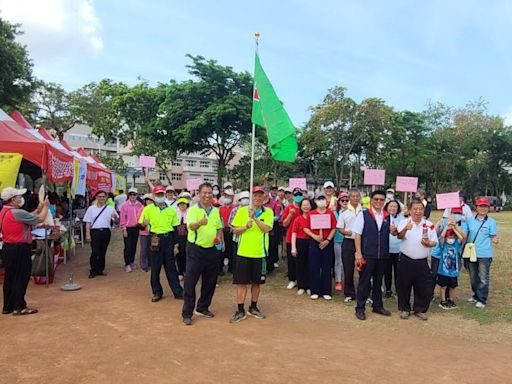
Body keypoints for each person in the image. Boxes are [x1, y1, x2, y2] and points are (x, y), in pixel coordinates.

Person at [1, 187, 50, 315]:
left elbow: (29, 216)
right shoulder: (16, 212)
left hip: (8, 247)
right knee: (21, 277)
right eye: (18, 196)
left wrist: (39, 208)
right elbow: (39, 219)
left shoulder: (4, 212)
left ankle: (8, 306)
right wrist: (45, 206)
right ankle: (19, 306)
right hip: (19, 248)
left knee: (10, 278)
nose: (20, 198)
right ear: (12, 199)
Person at [229, 186, 273, 323]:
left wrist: (255, 218)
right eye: (255, 195)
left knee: (257, 283)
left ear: (264, 198)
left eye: (260, 196)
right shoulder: (242, 211)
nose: (257, 198)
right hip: (243, 252)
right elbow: (234, 230)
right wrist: (245, 227)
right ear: (251, 197)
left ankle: (253, 307)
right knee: (241, 283)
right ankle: (240, 309)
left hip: (260, 253)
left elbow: (267, 229)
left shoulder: (268, 212)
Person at [182, 183, 224, 326]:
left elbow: (219, 228)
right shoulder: (193, 210)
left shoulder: (216, 211)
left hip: (212, 250)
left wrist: (219, 241)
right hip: (195, 250)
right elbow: (190, 226)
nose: (207, 195)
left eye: (210, 193)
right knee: (190, 281)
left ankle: (203, 307)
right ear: (199, 194)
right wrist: (200, 223)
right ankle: (187, 312)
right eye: (204, 193)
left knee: (210, 281)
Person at [138, 185, 183, 302]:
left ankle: (177, 291)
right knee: (155, 267)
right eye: (157, 195)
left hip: (168, 239)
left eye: (161, 194)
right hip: (155, 238)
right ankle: (157, 291)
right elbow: (141, 226)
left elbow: (175, 228)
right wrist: (143, 223)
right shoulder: (148, 209)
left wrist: (176, 244)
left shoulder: (171, 210)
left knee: (171, 267)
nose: (160, 196)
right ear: (153, 196)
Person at [352, 190, 392, 320]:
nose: (379, 202)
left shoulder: (388, 216)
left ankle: (377, 306)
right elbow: (357, 234)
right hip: (368, 254)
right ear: (371, 201)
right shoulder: (364, 215)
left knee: (378, 281)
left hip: (382, 255)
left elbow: (393, 233)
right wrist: (358, 253)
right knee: (364, 282)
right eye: (376, 199)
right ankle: (360, 308)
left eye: (381, 200)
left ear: (384, 201)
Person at [396, 199, 438, 320]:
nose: (418, 211)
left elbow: (434, 242)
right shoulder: (404, 222)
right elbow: (399, 236)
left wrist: (428, 243)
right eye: (415, 209)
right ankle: (404, 308)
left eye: (420, 209)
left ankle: (420, 309)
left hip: (422, 261)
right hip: (406, 259)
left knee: (423, 286)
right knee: (403, 285)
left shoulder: (429, 225)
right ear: (410, 210)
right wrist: (405, 229)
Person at [466, 197, 499, 309]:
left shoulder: (491, 222)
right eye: (480, 206)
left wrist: (495, 239)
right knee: (473, 277)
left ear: (488, 208)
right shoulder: (470, 220)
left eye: (485, 206)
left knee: (484, 278)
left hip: (484, 254)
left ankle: (482, 300)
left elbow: (493, 236)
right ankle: (475, 295)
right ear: (476, 207)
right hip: (471, 253)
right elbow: (465, 234)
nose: (483, 208)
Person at [303, 192, 337, 300]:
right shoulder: (311, 214)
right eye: (319, 199)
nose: (321, 201)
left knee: (327, 266)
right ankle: (315, 290)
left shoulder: (330, 213)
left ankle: (326, 290)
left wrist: (328, 240)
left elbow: (334, 227)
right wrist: (314, 236)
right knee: (314, 266)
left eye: (323, 199)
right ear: (316, 201)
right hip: (314, 242)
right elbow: (306, 228)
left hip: (327, 242)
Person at [84, 190, 119, 278]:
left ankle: (100, 269)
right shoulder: (91, 208)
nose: (101, 198)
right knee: (95, 252)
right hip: (95, 232)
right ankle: (93, 270)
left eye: (103, 197)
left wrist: (115, 218)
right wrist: (87, 234)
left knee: (103, 252)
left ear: (106, 198)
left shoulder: (110, 208)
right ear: (96, 197)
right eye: (100, 197)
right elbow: (87, 222)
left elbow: (116, 221)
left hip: (106, 232)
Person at [336, 188, 363, 302]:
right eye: (353, 196)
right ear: (349, 198)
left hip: (362, 243)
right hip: (348, 242)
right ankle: (349, 293)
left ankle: (363, 292)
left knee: (363, 269)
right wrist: (345, 232)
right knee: (348, 268)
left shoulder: (364, 211)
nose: (355, 198)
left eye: (357, 196)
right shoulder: (344, 213)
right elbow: (339, 228)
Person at [437, 228, 464, 310]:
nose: (450, 239)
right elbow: (441, 236)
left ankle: (451, 300)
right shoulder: (443, 244)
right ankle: (443, 301)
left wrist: (454, 229)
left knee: (453, 286)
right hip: (443, 271)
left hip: (453, 271)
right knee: (443, 286)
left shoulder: (456, 245)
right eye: (449, 237)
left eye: (452, 237)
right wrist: (447, 227)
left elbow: (461, 238)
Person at [291, 198, 313, 295]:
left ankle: (309, 286)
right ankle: (301, 286)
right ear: (300, 207)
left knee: (310, 264)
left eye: (307, 205)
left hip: (312, 242)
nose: (306, 207)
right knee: (300, 264)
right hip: (300, 242)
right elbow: (294, 233)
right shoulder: (298, 219)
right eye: (303, 205)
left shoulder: (313, 217)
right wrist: (293, 247)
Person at [281, 188, 303, 289]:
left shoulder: (305, 207)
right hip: (290, 237)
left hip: (303, 237)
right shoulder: (288, 208)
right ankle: (292, 279)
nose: (298, 196)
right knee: (291, 260)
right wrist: (290, 214)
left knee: (302, 260)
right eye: (296, 195)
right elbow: (284, 223)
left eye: (300, 194)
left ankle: (301, 280)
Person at [119, 187, 143, 273]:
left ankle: (132, 261)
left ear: (137, 195)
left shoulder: (139, 205)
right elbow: (122, 219)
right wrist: (124, 229)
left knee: (134, 246)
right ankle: (127, 264)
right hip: (127, 228)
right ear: (128, 195)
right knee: (128, 246)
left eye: (134, 194)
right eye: (131, 194)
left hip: (136, 228)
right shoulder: (124, 205)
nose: (132, 196)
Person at [383, 200, 403, 298]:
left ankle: (399, 290)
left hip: (398, 249)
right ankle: (388, 289)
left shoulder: (402, 218)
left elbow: (403, 232)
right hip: (387, 249)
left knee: (398, 271)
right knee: (387, 271)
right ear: (387, 207)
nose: (392, 208)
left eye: (395, 206)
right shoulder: (383, 217)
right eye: (391, 206)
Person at [333, 193, 348, 291]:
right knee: (338, 261)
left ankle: (347, 280)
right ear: (339, 202)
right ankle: (338, 280)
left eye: (347, 200)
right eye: (342, 200)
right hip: (337, 240)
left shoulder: (352, 212)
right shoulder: (334, 213)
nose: (345, 202)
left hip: (349, 240)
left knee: (348, 263)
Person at [139, 194, 154, 272]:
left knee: (152, 248)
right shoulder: (142, 208)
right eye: (147, 200)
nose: (149, 201)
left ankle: (151, 263)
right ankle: (144, 265)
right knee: (144, 249)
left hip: (153, 232)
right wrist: (143, 224)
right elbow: (139, 220)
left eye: (151, 200)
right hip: (144, 232)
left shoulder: (155, 209)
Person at [175, 197, 189, 279]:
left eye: (184, 204)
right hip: (178, 237)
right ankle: (180, 272)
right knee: (179, 255)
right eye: (180, 204)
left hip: (187, 237)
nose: (182, 206)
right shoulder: (175, 213)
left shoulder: (190, 213)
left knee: (187, 254)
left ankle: (186, 271)